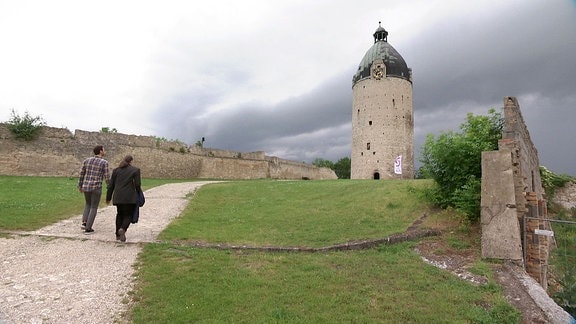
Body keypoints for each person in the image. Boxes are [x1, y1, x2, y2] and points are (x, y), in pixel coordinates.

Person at [106, 155, 142, 242]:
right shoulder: (135, 170)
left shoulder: (116, 170)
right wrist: (139, 194)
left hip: (118, 196)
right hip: (129, 197)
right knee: (128, 215)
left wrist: (108, 197)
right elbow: (137, 184)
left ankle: (117, 235)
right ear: (131, 161)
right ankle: (123, 229)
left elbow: (111, 185)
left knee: (119, 214)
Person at [78, 145, 110, 234]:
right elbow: (107, 177)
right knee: (94, 207)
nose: (105, 151)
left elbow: (82, 174)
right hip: (96, 187)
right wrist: (109, 187)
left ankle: (84, 222)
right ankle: (88, 228)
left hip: (86, 186)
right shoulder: (104, 162)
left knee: (88, 204)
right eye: (104, 150)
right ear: (100, 151)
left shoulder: (86, 161)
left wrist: (80, 185)